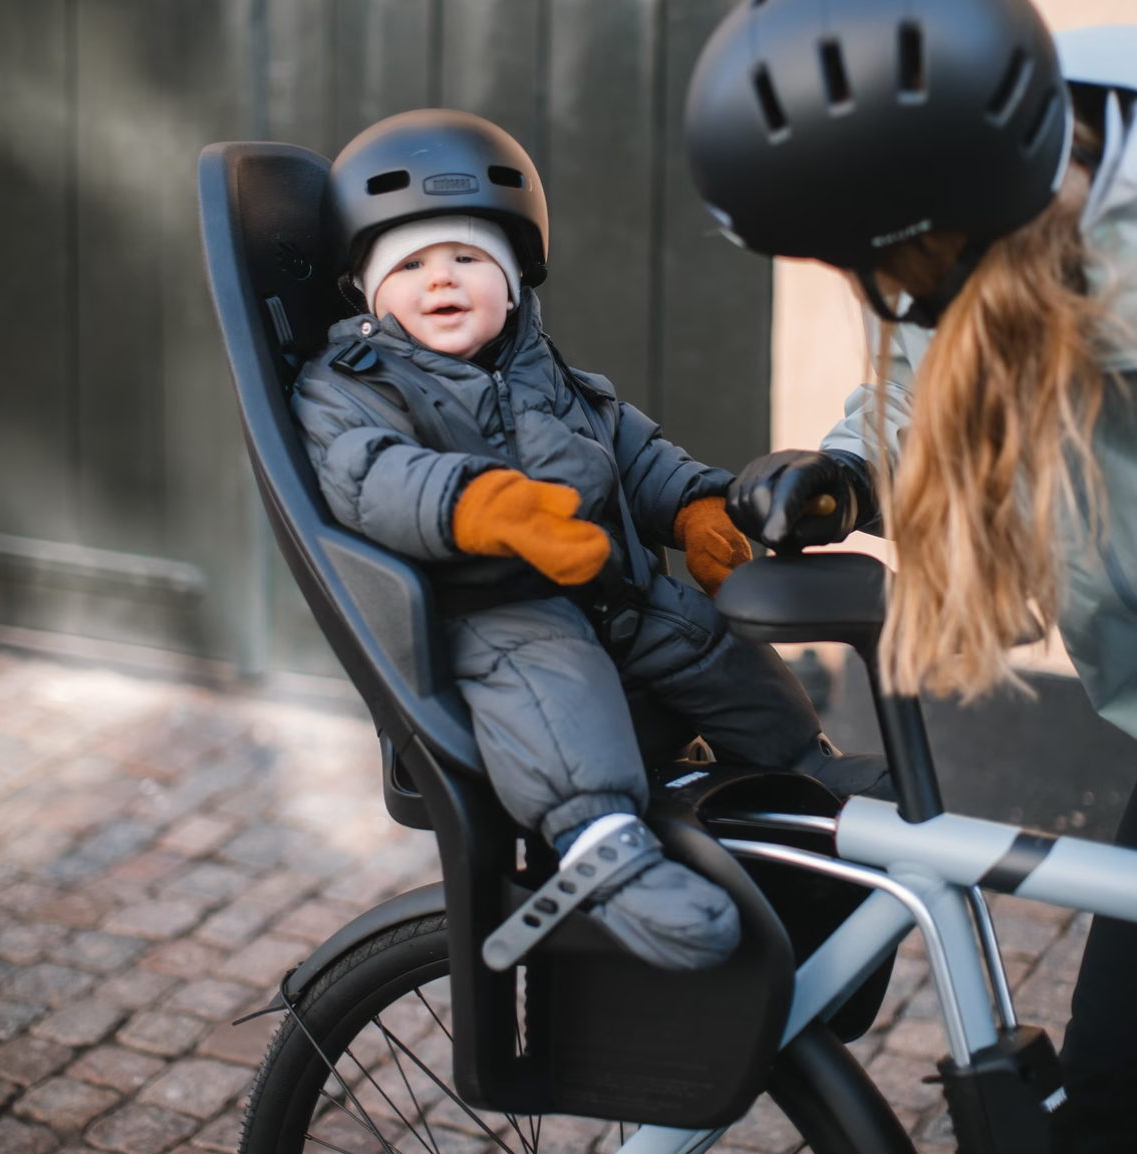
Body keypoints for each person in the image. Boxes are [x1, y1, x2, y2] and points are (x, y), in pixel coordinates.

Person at [686, 1, 1137, 1148]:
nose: (874, 286)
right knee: (1109, 1101)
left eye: (881, 260)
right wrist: (845, 475)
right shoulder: (1006, 186)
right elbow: (934, 367)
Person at [291, 110, 888, 973]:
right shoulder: (351, 386)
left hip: (619, 597)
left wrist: (694, 508)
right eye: (410, 264)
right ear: (368, 289)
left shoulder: (541, 365)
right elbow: (365, 475)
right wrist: (483, 506)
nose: (440, 281)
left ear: (513, 277)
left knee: (723, 653)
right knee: (555, 696)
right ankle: (605, 852)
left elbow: (627, 448)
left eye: (467, 258)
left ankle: (804, 781)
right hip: (495, 617)